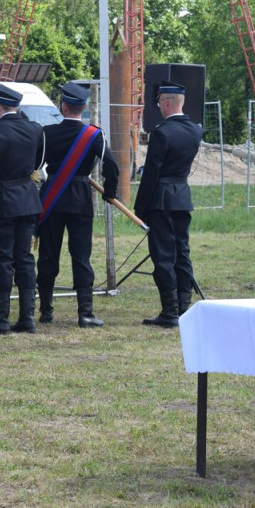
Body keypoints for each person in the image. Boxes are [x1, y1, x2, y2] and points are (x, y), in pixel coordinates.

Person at [35, 81, 119, 327]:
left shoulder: (47, 133)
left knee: (48, 255)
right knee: (81, 257)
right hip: (81, 199)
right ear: (84, 107)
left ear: (62, 106)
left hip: (52, 200)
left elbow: (36, 165)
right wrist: (109, 192)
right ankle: (85, 313)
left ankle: (46, 311)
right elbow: (111, 165)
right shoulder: (95, 134)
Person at [133, 82, 205, 328]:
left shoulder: (162, 133)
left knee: (163, 255)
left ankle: (170, 311)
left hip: (161, 197)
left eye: (160, 103)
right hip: (182, 195)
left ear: (165, 102)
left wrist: (140, 206)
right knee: (182, 252)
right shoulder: (195, 130)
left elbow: (151, 174)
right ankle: (183, 305)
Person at [0, 84, 44, 334]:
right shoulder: (35, 130)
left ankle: (1, 320)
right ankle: (28, 318)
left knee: (3, 259)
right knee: (24, 258)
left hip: (3, 202)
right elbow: (37, 162)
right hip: (27, 199)